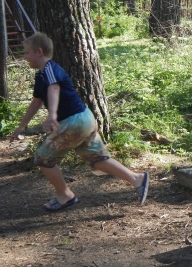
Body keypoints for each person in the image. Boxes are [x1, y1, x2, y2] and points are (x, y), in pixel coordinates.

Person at [10, 32, 149, 211]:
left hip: (73, 121)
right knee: (97, 160)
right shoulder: (41, 76)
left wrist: (52, 114)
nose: (25, 57)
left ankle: (65, 195)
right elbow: (37, 101)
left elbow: (54, 88)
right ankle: (137, 179)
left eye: (27, 52)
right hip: (84, 119)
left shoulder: (50, 69)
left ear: (39, 52)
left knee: (43, 158)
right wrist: (21, 126)